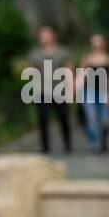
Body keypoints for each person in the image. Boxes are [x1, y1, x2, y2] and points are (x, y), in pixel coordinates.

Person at [26, 25, 73, 154]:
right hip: (42, 91)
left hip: (59, 90)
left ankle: (67, 143)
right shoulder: (35, 53)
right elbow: (30, 71)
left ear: (53, 36)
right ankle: (45, 147)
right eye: (41, 36)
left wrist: (70, 89)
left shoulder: (62, 52)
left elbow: (68, 69)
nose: (44, 38)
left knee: (63, 117)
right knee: (43, 119)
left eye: (46, 35)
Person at [77, 33, 109, 154]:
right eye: (94, 41)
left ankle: (104, 140)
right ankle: (94, 143)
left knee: (105, 119)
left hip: (104, 91)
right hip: (89, 90)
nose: (96, 44)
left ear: (104, 43)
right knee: (91, 117)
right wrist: (75, 89)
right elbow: (82, 75)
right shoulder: (87, 59)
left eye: (99, 41)